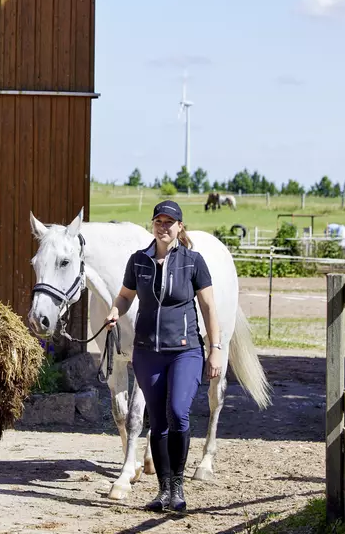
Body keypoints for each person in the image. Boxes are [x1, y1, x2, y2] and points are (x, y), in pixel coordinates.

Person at [104, 200, 222, 514]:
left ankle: (178, 487)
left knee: (178, 413)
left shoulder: (193, 261)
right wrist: (116, 311)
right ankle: (163, 490)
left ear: (180, 227)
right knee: (156, 421)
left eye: (170, 222)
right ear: (153, 225)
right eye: (159, 221)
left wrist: (215, 349)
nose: (164, 227)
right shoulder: (138, 261)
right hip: (147, 352)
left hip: (185, 351)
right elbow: (125, 295)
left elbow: (209, 307)